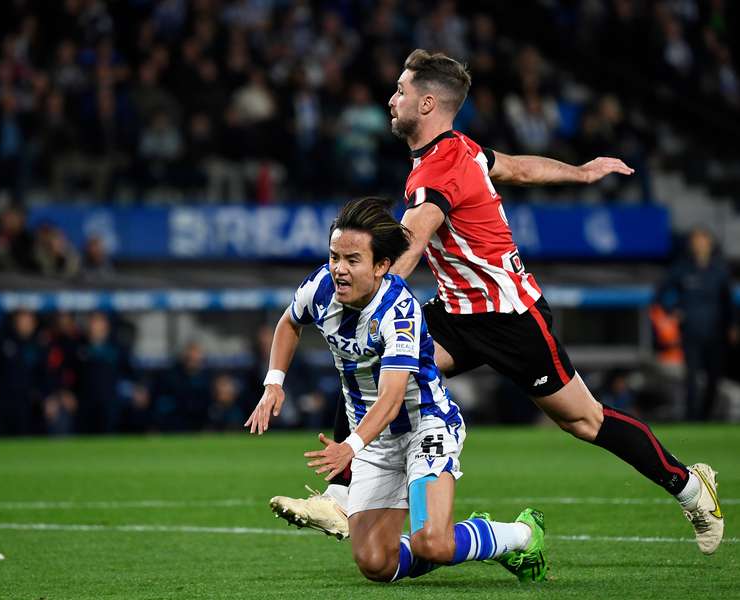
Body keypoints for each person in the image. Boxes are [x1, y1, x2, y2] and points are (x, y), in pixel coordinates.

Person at [272, 49, 723, 555]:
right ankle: (339, 496)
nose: (391, 99)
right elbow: (516, 169)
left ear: (426, 104)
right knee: (373, 360)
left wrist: (370, 299)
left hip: (511, 318)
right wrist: (579, 172)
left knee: (584, 420)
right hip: (458, 314)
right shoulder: (459, 149)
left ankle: (689, 485)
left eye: (400, 91)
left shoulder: (433, 174)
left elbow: (413, 238)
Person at [246, 197, 548, 584]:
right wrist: (274, 384)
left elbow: (391, 400)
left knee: (432, 544)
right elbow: (289, 323)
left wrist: (349, 449)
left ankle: (521, 535)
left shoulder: (398, 311)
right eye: (335, 256)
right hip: (375, 442)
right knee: (376, 564)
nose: (339, 269)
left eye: (353, 260)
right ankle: (451, 536)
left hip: (425, 427)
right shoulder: (320, 286)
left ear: (381, 266)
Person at [656, 227, 736, 421]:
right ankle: (692, 417)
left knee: (714, 377)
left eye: (702, 241)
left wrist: (733, 325)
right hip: (691, 332)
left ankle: (707, 416)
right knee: (691, 377)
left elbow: (729, 301)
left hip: (716, 332)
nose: (699, 245)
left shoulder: (720, 270)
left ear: (709, 244)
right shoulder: (681, 269)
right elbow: (661, 293)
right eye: (695, 241)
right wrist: (673, 309)